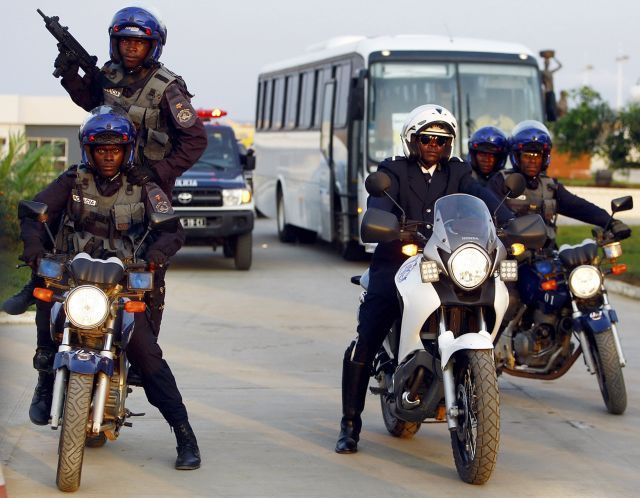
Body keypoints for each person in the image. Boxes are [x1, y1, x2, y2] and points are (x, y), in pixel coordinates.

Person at [20, 106, 201, 470]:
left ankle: (184, 435)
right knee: (44, 294)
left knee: (149, 358)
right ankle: (45, 376)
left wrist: (155, 258)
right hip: (76, 278)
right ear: (88, 150)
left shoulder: (145, 186)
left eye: (114, 149)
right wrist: (36, 250)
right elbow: (35, 209)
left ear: (127, 149)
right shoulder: (73, 181)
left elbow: (172, 230)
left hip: (121, 284)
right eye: (99, 148)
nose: (107, 155)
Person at [3, 5, 207, 316]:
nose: (131, 47)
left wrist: (155, 172)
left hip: (145, 183)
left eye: (138, 42)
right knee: (57, 221)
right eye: (125, 41)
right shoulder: (109, 74)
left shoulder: (167, 88)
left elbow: (195, 140)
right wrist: (70, 75)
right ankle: (35, 284)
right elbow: (91, 102)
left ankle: (144, 327)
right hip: (102, 170)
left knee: (150, 254)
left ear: (153, 45)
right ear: (115, 42)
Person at [335, 104, 514, 454]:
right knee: (370, 330)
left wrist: (508, 223)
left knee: (495, 290)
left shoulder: (459, 173)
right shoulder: (393, 170)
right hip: (399, 259)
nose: (434, 145)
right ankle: (349, 424)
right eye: (428, 138)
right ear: (412, 139)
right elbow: (379, 205)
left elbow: (486, 203)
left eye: (442, 140)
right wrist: (386, 225)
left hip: (449, 259)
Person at [488, 120, 631, 245]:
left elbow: (578, 206)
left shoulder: (550, 186)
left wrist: (611, 222)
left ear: (544, 158)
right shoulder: (501, 181)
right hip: (512, 255)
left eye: (537, 155)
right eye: (527, 155)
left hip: (544, 254)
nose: (532, 160)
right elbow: (488, 210)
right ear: (516, 157)